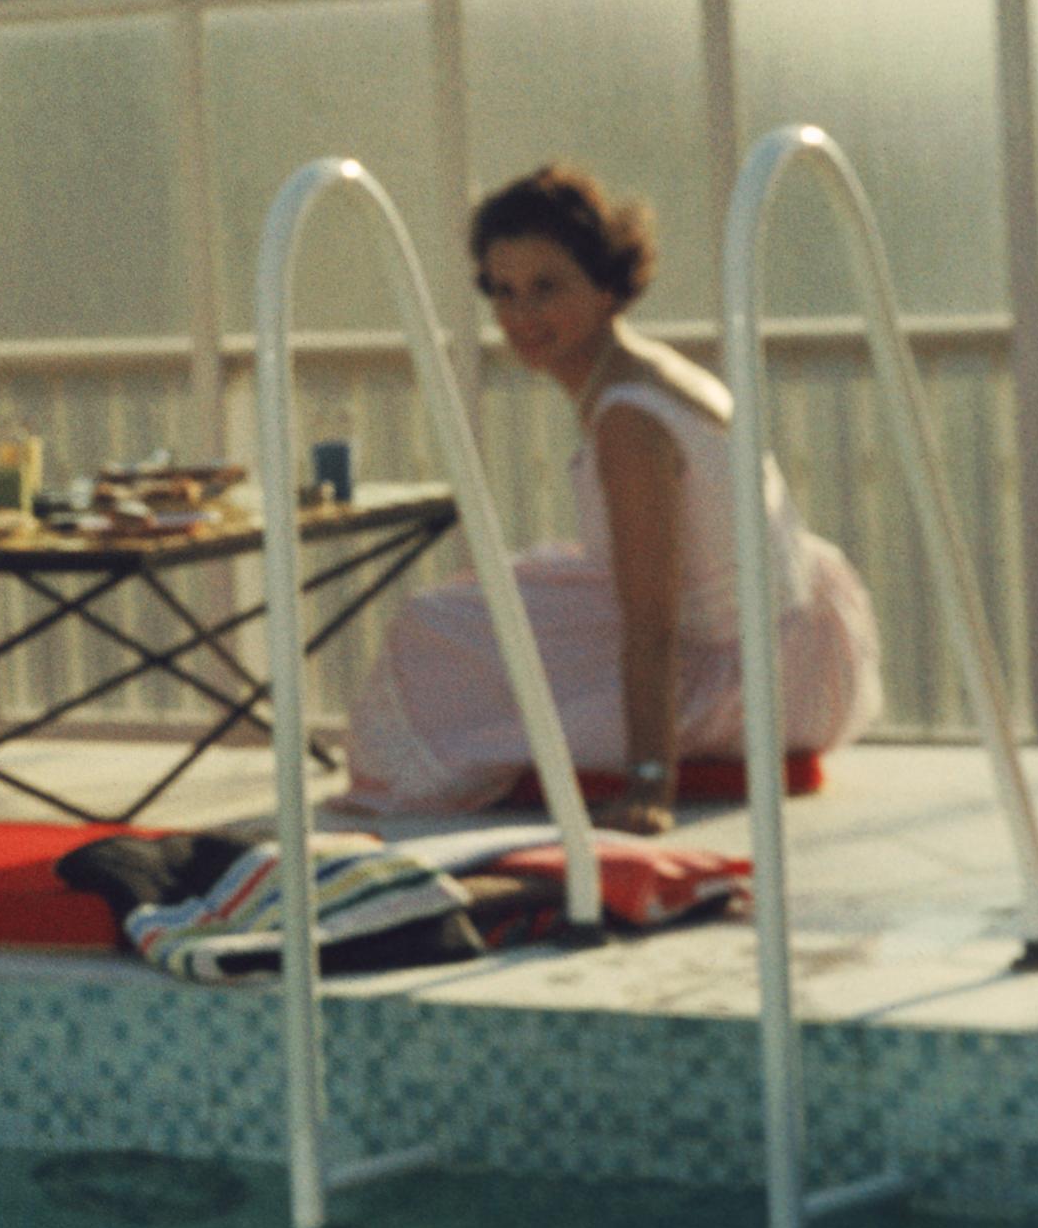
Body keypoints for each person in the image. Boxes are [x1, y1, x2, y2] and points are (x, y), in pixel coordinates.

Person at [345, 164, 883, 832]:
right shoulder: (638, 369)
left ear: (605, 284)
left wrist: (650, 785)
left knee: (437, 630)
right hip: (794, 631)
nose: (523, 316)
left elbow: (652, 622)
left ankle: (638, 753)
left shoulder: (629, 418)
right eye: (505, 292)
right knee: (484, 599)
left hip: (757, 677)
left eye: (547, 288)